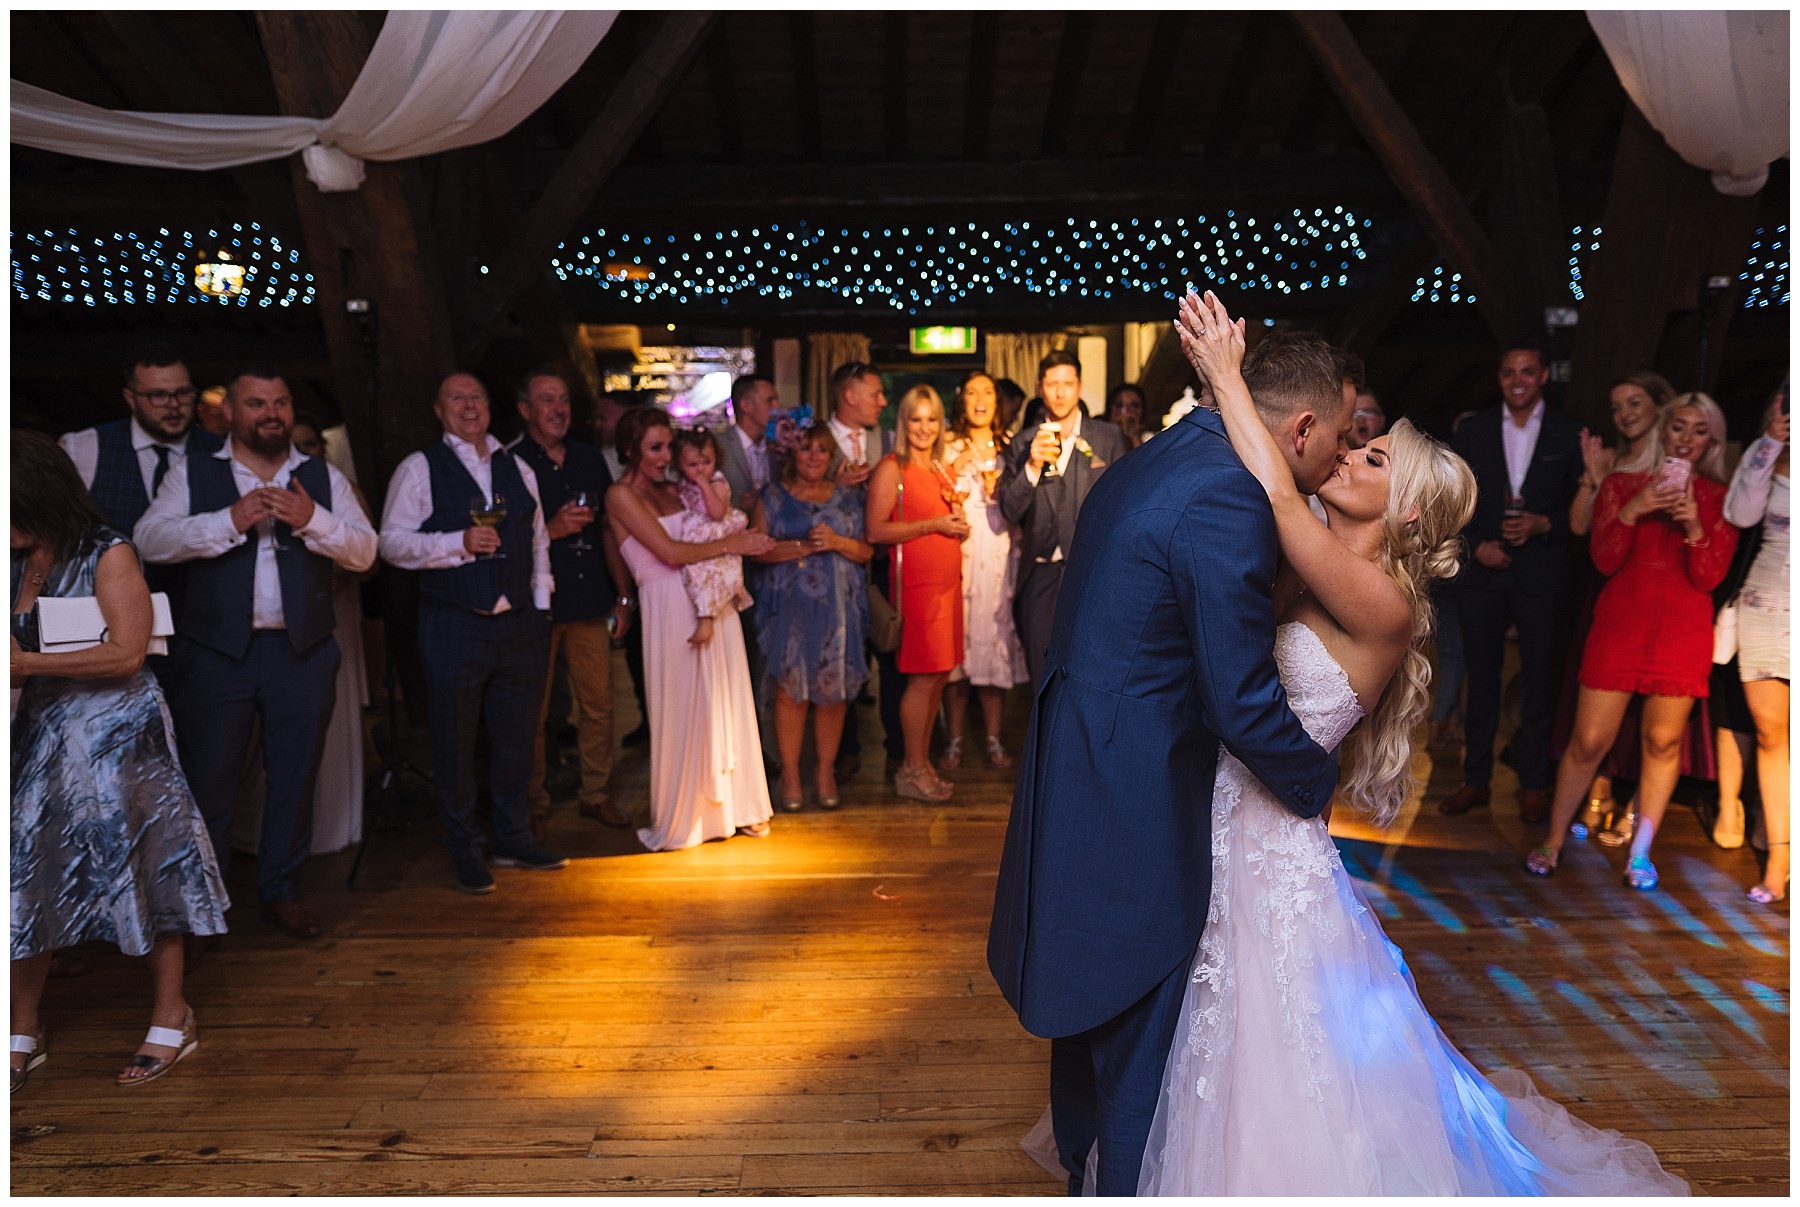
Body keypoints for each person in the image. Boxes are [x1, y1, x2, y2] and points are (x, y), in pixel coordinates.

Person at [1122, 288, 1686, 1196]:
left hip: (1268, 844)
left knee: (1273, 1037)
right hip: (1232, 814)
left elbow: (1274, 487)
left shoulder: (1382, 603)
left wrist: (1226, 373)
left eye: (1372, 455)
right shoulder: (1312, 569)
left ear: (1409, 512)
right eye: (1355, 442)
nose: (1347, 454)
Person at [988, 315, 1352, 1196]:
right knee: (1140, 1000)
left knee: (1089, 992)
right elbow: (1237, 690)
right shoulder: (1230, 493)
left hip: (1086, 754)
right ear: (1300, 430)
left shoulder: (1162, 453)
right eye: (1341, 442)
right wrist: (1315, 782)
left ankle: (1084, 1159)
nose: (1341, 461)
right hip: (1131, 780)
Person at [11, 431, 229, 1089]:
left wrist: (25, 663)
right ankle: (23, 1024)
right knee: (27, 867)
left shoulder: (109, 550)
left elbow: (129, 652)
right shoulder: (13, 556)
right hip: (38, 731)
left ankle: (172, 1013)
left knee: (149, 858)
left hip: (118, 731)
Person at [136, 368, 377, 940]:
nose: (271, 412)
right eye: (257, 403)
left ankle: (282, 891)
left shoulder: (321, 476)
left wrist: (311, 519)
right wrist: (231, 519)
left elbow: (367, 552)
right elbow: (148, 540)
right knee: (209, 784)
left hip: (303, 653)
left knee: (294, 780)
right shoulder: (193, 472)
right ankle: (202, 911)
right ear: (230, 414)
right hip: (217, 656)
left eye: (281, 402)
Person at [1528, 394, 1739, 889]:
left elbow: (1709, 577)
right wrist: (1635, 508)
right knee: (1588, 741)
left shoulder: (1718, 496)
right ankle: (1553, 838)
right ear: (1664, 432)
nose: (1685, 438)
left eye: (1698, 430)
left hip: (1682, 630)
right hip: (1622, 624)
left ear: (1712, 440)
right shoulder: (1623, 484)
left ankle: (1640, 852)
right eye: (1678, 427)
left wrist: (1691, 524)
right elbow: (1603, 559)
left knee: (1663, 743)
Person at [379, 372, 568, 894]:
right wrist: (457, 542)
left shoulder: (519, 468)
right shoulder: (419, 469)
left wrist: (541, 606)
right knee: (454, 741)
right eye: (456, 398)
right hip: (453, 622)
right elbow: (391, 544)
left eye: (478, 396)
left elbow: (537, 541)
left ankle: (513, 836)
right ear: (439, 411)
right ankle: (463, 846)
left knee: (516, 739)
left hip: (520, 625)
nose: (469, 405)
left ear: (491, 406)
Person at [605, 407, 776, 850]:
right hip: (667, 603)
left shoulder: (676, 489)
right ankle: (690, 815)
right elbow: (670, 552)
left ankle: (739, 805)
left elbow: (709, 523)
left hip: (708, 599)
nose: (665, 457)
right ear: (630, 450)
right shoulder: (620, 495)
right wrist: (734, 544)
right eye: (655, 448)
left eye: (667, 446)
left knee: (725, 699)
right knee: (685, 706)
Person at [1437, 346, 1583, 824]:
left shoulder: (1569, 432)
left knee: (1540, 680)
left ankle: (1534, 783)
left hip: (1542, 573)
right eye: (1508, 372)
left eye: (1527, 371)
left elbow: (1584, 510)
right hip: (1486, 570)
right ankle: (1475, 779)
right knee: (1481, 678)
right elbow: (1455, 500)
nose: (1517, 380)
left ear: (1543, 375)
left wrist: (1546, 524)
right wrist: (1477, 545)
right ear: (1499, 378)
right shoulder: (1473, 430)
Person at [229, 413, 376, 857]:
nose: (306, 452)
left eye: (312, 444)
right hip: (261, 632)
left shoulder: (338, 486)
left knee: (320, 734)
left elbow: (369, 557)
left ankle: (330, 827)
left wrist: (336, 568)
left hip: (327, 618)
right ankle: (252, 834)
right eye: (300, 444)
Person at [509, 368, 635, 835]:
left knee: (599, 702)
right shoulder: (508, 462)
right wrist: (550, 530)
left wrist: (623, 596)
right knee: (535, 709)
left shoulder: (588, 459)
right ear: (525, 410)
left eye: (563, 399)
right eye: (547, 400)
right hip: (535, 606)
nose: (558, 409)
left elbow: (609, 531)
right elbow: (498, 539)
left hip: (589, 599)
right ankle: (533, 799)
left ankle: (595, 793)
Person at [1552, 370, 1674, 843]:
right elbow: (1580, 527)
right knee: (1597, 719)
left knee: (1657, 730)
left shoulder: (1678, 463)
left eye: (1634, 403)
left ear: (1661, 404)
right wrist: (1593, 479)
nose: (1624, 414)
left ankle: (1633, 809)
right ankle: (1594, 793)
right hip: (1607, 589)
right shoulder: (1609, 459)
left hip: (1662, 600)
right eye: (1618, 406)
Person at [57, 344, 222, 649]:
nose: (173, 405)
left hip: (205, 634)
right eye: (158, 395)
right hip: (110, 626)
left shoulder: (222, 452)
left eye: (183, 393)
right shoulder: (84, 448)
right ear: (130, 398)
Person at [749, 423, 875, 810]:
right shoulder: (771, 497)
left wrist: (836, 542)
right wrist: (805, 546)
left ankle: (825, 772)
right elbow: (756, 549)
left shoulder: (849, 497)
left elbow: (867, 551)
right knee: (791, 691)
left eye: (822, 450)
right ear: (792, 453)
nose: (815, 457)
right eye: (806, 449)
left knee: (832, 692)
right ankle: (790, 774)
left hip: (838, 609)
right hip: (789, 609)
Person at [998, 350, 1131, 686]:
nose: (1060, 392)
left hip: (1092, 574)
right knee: (1042, 678)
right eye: (1052, 384)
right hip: (1039, 574)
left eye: (1067, 384)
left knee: (1093, 674)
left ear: (1079, 387)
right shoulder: (1022, 443)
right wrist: (1030, 466)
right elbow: (1009, 511)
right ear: (1040, 387)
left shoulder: (1108, 437)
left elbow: (1127, 504)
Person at [866, 385, 971, 802]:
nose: (924, 428)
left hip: (947, 589)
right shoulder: (894, 468)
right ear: (902, 423)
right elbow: (875, 531)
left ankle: (921, 763)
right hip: (918, 593)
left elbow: (946, 523)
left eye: (931, 419)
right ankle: (910, 768)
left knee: (941, 677)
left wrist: (957, 528)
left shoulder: (940, 470)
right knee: (924, 680)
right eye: (916, 419)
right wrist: (935, 526)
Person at [941, 370, 1026, 771]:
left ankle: (992, 738)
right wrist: (956, 465)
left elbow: (1023, 504)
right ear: (962, 400)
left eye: (987, 392)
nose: (979, 399)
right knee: (957, 645)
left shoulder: (1010, 446)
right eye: (971, 391)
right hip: (958, 552)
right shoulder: (946, 445)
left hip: (999, 552)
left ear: (997, 402)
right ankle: (954, 740)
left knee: (995, 639)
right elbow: (935, 495)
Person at [1722, 387, 1788, 903]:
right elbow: (1741, 514)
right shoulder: (1768, 448)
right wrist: (1770, 442)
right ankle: (1779, 862)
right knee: (1771, 737)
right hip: (1765, 607)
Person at [823, 361, 903, 780]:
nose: (883, 402)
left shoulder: (888, 440)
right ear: (849, 396)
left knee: (891, 655)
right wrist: (833, 487)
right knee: (841, 659)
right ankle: (846, 750)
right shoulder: (815, 443)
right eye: (876, 393)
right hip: (832, 566)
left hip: (881, 566)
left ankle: (897, 750)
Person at [671, 428, 754, 649]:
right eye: (692, 465)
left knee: (707, 573)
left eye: (706, 462)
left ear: (716, 459)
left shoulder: (716, 482)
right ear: (679, 464)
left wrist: (705, 486)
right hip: (696, 533)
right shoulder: (683, 484)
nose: (700, 470)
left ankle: (706, 618)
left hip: (713, 532)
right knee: (693, 572)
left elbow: (717, 513)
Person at [1105, 382, 1149, 449]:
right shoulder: (1099, 437)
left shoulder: (1149, 439)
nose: (1126, 411)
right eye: (1119, 405)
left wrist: (1134, 436)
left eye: (1134, 406)